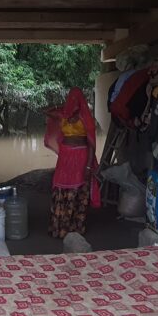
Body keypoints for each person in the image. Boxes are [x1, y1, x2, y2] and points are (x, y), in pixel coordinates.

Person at [44, 87, 100, 238]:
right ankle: (59, 228)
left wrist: (88, 165)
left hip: (81, 156)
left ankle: (75, 229)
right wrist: (61, 107)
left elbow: (91, 144)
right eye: (71, 99)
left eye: (76, 99)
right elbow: (47, 111)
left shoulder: (86, 117)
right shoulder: (63, 114)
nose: (73, 102)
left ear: (81, 101)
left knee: (77, 190)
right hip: (65, 157)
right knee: (60, 187)